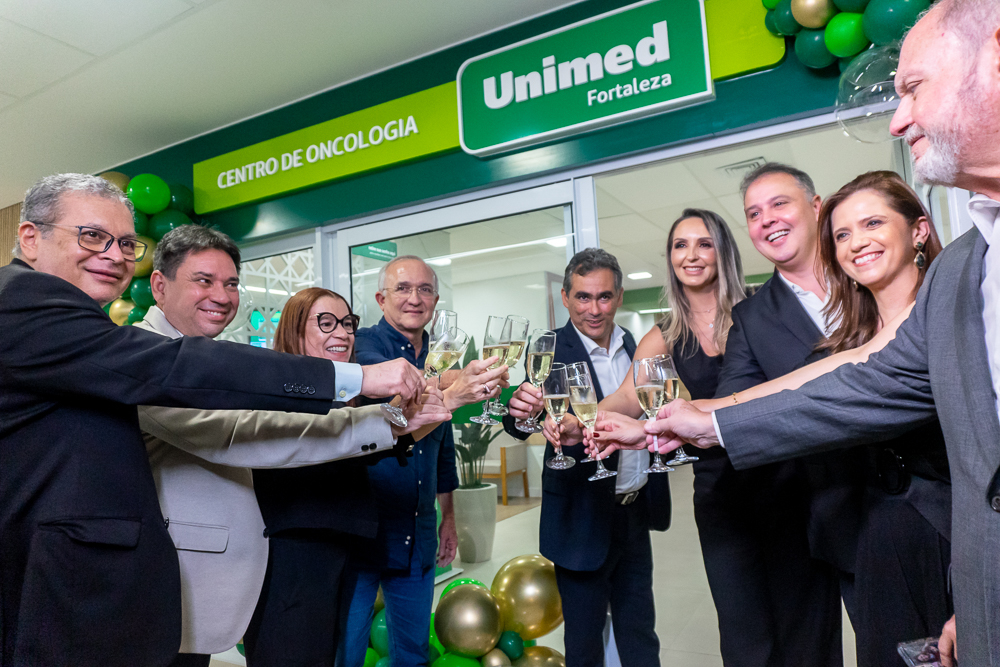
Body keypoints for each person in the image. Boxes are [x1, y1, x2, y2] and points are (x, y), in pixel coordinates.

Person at [630, 1, 1000, 663]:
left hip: (948, 531)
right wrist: (703, 419)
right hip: (873, 533)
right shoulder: (962, 271)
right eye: (846, 236)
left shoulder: (953, 277)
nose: (898, 117)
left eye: (913, 88)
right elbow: (842, 377)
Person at [0, 174, 424, 667]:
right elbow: (187, 375)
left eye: (125, 243)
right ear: (30, 238)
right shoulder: (27, 303)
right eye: (92, 236)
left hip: (100, 590)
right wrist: (354, 379)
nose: (115, 255)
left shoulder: (71, 321)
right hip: (62, 591)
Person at [594, 173, 954, 666]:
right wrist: (685, 421)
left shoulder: (903, 293)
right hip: (844, 518)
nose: (857, 243)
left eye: (871, 224)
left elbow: (850, 380)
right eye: (845, 234)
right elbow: (817, 376)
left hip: (943, 512)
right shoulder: (772, 317)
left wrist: (698, 421)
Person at [132, 226, 450, 667]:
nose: (222, 296)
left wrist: (414, 413)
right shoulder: (143, 354)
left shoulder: (212, 352)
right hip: (182, 568)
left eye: (231, 284)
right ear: (159, 285)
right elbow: (243, 434)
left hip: (261, 562)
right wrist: (381, 406)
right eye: (204, 281)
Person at [246, 286, 498, 667]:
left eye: (347, 323)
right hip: (294, 575)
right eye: (326, 323)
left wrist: (452, 400)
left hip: (342, 562)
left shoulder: (341, 405)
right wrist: (449, 390)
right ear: (296, 332)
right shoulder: (281, 398)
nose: (343, 333)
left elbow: (388, 435)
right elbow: (364, 431)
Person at [550, 211, 758, 666]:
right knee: (742, 624)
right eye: (680, 245)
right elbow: (627, 396)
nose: (691, 255)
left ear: (723, 250)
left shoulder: (759, 310)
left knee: (800, 614)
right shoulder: (664, 334)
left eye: (703, 243)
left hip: (781, 476)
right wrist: (577, 422)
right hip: (719, 486)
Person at [338, 255, 508, 667]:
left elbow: (442, 444)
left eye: (425, 289)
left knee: (413, 653)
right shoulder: (364, 347)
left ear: (435, 299)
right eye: (403, 288)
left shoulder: (440, 350)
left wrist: (448, 515)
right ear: (381, 298)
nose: (415, 298)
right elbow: (393, 407)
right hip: (363, 534)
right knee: (346, 654)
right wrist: (454, 383)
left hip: (417, 533)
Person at [504, 248, 670, 667]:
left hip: (632, 512)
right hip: (580, 519)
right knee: (583, 642)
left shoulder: (635, 344)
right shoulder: (549, 349)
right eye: (582, 297)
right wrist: (522, 413)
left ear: (618, 297)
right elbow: (524, 414)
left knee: (640, 633)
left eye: (604, 297)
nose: (594, 309)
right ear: (565, 297)